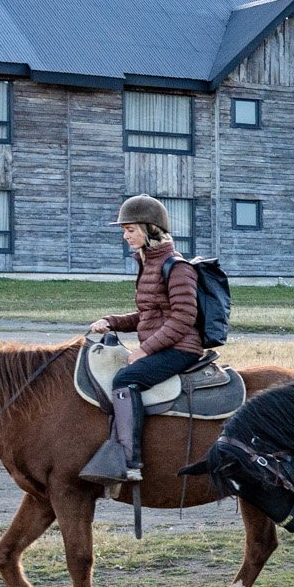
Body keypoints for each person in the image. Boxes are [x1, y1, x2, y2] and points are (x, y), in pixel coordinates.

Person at [82, 195, 201, 484]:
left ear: (150, 229)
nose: (125, 236)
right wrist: (112, 321)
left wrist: (145, 349)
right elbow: (148, 314)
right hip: (164, 345)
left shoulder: (177, 267)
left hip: (181, 348)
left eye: (130, 229)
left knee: (126, 380)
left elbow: (184, 318)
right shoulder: (149, 264)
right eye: (124, 230)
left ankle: (129, 461)